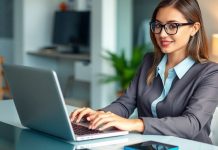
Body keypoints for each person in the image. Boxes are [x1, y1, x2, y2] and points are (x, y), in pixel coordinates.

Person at [70, 0, 218, 144]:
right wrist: (99, 115)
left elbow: (191, 124)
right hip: (147, 146)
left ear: (194, 28)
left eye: (173, 26)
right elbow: (125, 103)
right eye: (158, 25)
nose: (162, 34)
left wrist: (136, 124)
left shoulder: (210, 73)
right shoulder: (149, 61)